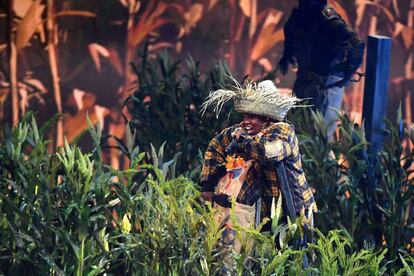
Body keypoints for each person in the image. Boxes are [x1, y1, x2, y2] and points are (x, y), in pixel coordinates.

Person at [200, 79, 317, 246]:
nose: (246, 121)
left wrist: (244, 141)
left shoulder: (283, 130)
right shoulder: (239, 131)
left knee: (291, 254)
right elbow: (216, 146)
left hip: (292, 207)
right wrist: (208, 185)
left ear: (267, 117)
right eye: (245, 115)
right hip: (262, 209)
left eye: (253, 116)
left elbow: (269, 152)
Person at [278, 0, 365, 138]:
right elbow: (289, 29)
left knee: (320, 138)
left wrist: (347, 72)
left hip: (325, 85)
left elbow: (356, 43)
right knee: (298, 131)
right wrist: (287, 54)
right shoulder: (300, 14)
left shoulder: (328, 17)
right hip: (305, 81)